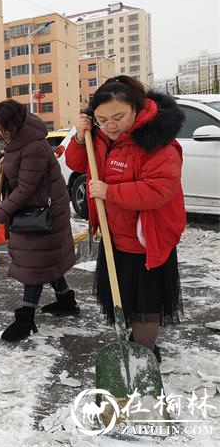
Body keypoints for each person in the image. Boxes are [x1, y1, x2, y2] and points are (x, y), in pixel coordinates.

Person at [65, 76, 185, 362]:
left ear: (137, 108)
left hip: (147, 239)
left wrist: (109, 191)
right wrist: (81, 138)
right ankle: (133, 342)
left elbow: (158, 190)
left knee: (146, 302)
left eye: (118, 117)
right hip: (115, 235)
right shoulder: (101, 137)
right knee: (123, 295)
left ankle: (146, 353)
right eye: (102, 119)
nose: (110, 125)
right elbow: (76, 163)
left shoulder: (157, 142)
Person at [0, 100, 78, 342]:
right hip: (35, 211)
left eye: (5, 129)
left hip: (44, 213)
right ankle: (66, 300)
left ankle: (26, 318)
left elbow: (26, 188)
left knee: (34, 263)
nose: (2, 134)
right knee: (45, 258)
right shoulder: (18, 143)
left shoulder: (34, 147)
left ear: (16, 124)